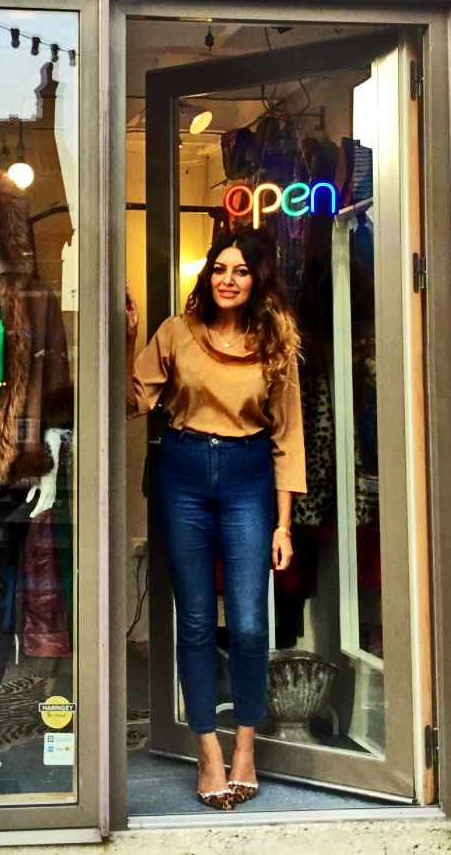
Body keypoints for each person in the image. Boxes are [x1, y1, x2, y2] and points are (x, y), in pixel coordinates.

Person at [126, 226, 306, 810]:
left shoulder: (275, 344)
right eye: (220, 269)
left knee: (250, 624)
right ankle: (208, 749)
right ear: (208, 276)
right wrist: (127, 338)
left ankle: (245, 748)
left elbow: (288, 438)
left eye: (241, 271)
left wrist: (283, 524)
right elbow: (133, 400)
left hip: (248, 477)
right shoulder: (177, 332)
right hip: (182, 473)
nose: (228, 280)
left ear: (257, 280)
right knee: (198, 620)